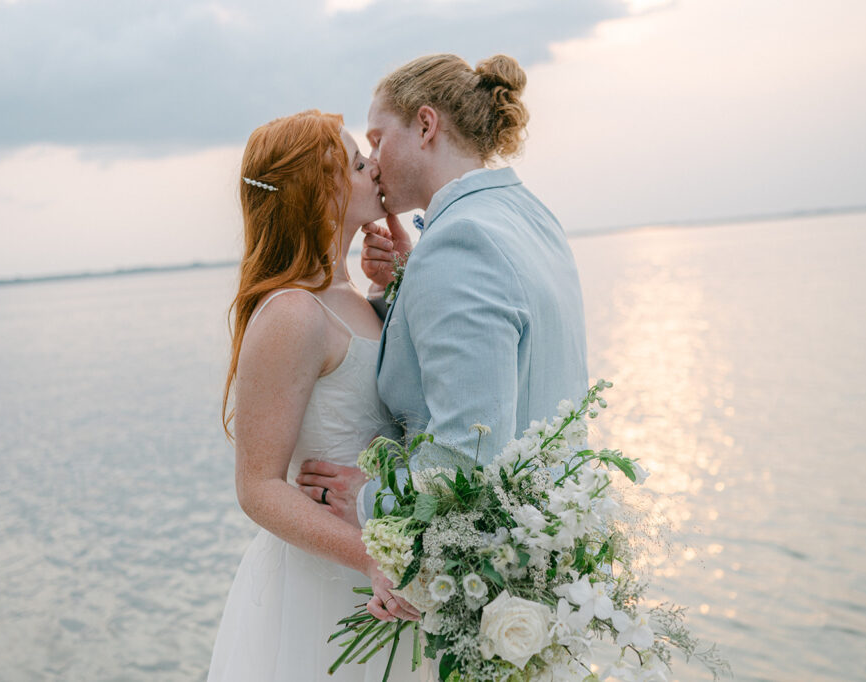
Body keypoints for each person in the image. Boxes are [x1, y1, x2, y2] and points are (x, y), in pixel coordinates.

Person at [296, 54, 589, 622]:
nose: (373, 163)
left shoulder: (460, 243)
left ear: (426, 126)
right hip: (548, 565)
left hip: (491, 585)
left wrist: (365, 498)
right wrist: (411, 284)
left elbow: (465, 456)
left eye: (378, 139)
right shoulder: (527, 214)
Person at [207, 110, 421, 681]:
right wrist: (374, 560)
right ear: (320, 192)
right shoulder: (293, 312)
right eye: (356, 163)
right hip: (333, 583)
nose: (375, 166)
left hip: (389, 572)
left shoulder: (358, 296)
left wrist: (402, 280)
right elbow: (257, 488)